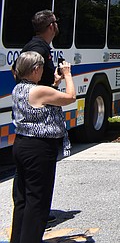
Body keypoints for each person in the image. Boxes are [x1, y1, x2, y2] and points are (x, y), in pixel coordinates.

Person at [10, 51, 75, 243]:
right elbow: (70, 97)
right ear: (35, 69)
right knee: (38, 200)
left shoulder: (19, 89)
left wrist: (54, 84)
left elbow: (44, 102)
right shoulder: (37, 91)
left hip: (22, 144)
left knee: (22, 198)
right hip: (39, 148)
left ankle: (18, 239)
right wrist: (68, 74)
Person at [18, 10, 59, 87]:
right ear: (51, 26)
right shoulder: (38, 49)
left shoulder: (33, 45)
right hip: (40, 94)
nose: (57, 24)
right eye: (55, 22)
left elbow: (14, 69)